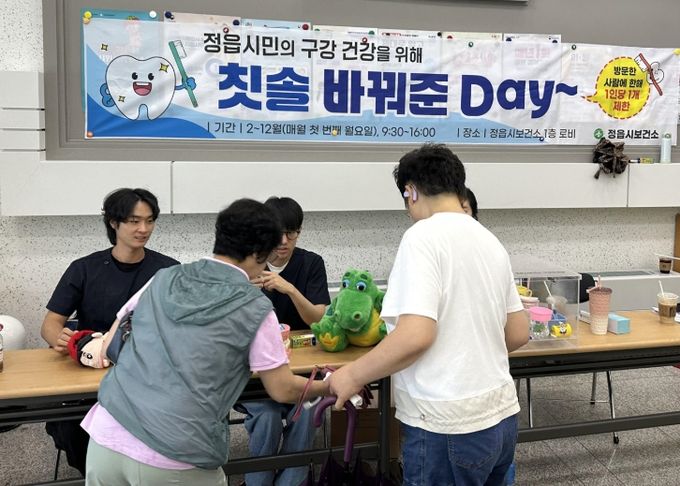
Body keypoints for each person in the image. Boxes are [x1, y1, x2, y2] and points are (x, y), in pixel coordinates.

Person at [81, 198, 328, 485]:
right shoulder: (255, 307)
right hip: (175, 451)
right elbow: (282, 389)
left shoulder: (164, 277)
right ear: (262, 253)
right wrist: (329, 386)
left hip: (107, 434)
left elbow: (111, 344)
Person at [328, 144, 529, 486]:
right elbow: (518, 332)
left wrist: (352, 375)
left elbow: (415, 335)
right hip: (501, 418)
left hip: (446, 423)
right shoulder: (489, 240)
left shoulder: (421, 237)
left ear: (411, 191)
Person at [41, 187, 179, 476]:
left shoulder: (168, 270)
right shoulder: (84, 268)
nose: (143, 229)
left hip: (146, 375)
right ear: (113, 223)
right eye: (134, 221)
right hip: (90, 373)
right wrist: (61, 338)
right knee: (74, 427)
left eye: (150, 221)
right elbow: (50, 324)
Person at [241, 196, 331, 486]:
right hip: (255, 377)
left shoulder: (311, 263)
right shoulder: (246, 263)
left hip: (302, 373)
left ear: (299, 232)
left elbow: (318, 320)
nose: (283, 241)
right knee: (267, 417)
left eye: (291, 233)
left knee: (306, 412)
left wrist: (290, 289)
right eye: (277, 233)